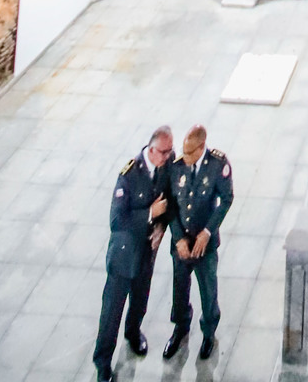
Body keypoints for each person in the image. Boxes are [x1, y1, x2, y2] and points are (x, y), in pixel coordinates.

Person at [92, 123, 174, 381]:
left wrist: (161, 226)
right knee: (112, 312)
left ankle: (133, 333)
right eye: (163, 152)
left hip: (146, 252)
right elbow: (117, 221)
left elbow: (169, 200)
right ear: (150, 150)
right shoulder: (128, 175)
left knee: (140, 301)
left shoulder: (165, 168)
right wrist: (150, 214)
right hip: (123, 255)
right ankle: (103, 363)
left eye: (170, 151)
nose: (168, 156)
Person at [163, 121, 235, 361]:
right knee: (179, 288)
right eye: (183, 151)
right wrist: (178, 238)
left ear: (202, 146)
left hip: (205, 244)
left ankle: (208, 333)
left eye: (190, 153)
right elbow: (170, 203)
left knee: (207, 289)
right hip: (182, 242)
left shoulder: (217, 165)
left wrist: (207, 232)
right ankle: (180, 327)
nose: (185, 157)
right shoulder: (176, 166)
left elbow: (226, 199)